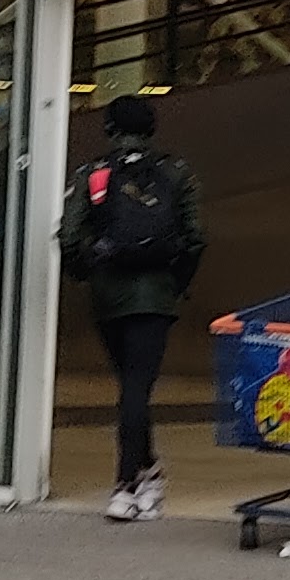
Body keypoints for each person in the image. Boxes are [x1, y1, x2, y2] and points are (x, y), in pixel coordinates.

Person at [58, 93, 205, 522]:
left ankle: (137, 480)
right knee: (136, 391)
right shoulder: (176, 173)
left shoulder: (94, 174)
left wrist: (87, 271)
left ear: (109, 128)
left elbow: (69, 236)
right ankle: (138, 480)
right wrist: (176, 282)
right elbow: (196, 237)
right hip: (156, 297)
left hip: (108, 296)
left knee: (131, 389)